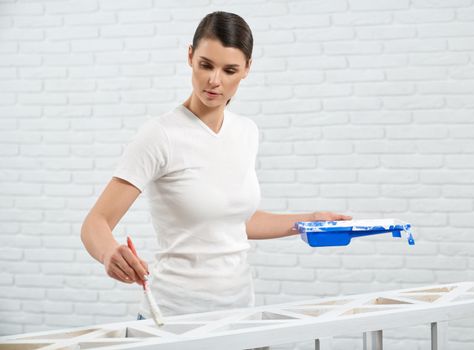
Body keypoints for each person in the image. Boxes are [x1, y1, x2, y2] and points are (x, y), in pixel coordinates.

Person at [80, 11, 352, 321]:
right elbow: (95, 222)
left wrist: (310, 219)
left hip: (240, 315)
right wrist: (108, 252)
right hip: (174, 318)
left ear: (247, 69)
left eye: (229, 70)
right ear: (190, 56)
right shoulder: (161, 135)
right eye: (206, 65)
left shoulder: (246, 132)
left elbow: (233, 221)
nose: (214, 80)